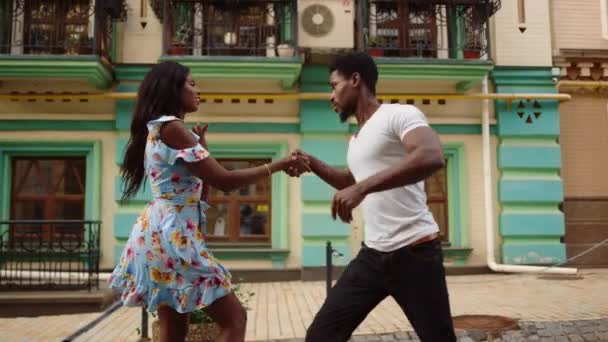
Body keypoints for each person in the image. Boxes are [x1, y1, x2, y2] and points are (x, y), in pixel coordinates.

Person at [109, 61, 309, 342]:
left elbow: (203, 192)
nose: (198, 90)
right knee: (235, 318)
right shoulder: (173, 127)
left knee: (175, 330)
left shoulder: (162, 129)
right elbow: (225, 181)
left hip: (160, 234)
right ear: (172, 89)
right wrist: (277, 165)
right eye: (191, 84)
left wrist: (202, 149)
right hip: (173, 237)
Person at [289, 52, 457, 341]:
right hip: (373, 257)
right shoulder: (356, 139)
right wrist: (313, 163)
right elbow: (349, 181)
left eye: (334, 85)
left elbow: (431, 156)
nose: (331, 96)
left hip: (415, 253)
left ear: (355, 80)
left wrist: (361, 188)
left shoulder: (399, 114)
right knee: (322, 334)